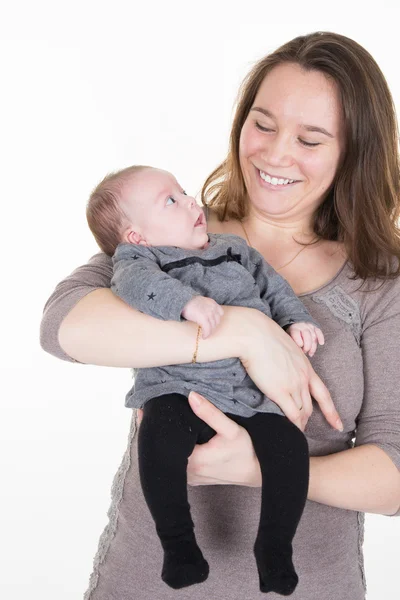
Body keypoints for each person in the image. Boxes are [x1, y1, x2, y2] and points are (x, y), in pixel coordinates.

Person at [40, 31, 400, 600]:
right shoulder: (175, 235)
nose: (275, 154)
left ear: (354, 151)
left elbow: (396, 477)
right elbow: (65, 326)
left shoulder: (379, 284)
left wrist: (255, 467)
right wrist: (247, 332)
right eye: (262, 124)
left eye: (309, 139)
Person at [86, 164, 328, 593]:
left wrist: (296, 321)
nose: (190, 202)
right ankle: (178, 545)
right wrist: (187, 304)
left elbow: (274, 288)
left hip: (245, 393)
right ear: (137, 236)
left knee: (289, 447)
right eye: (171, 201)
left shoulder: (235, 250)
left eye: (182, 191)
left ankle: (274, 548)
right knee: (159, 438)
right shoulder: (141, 258)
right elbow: (134, 285)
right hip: (175, 387)